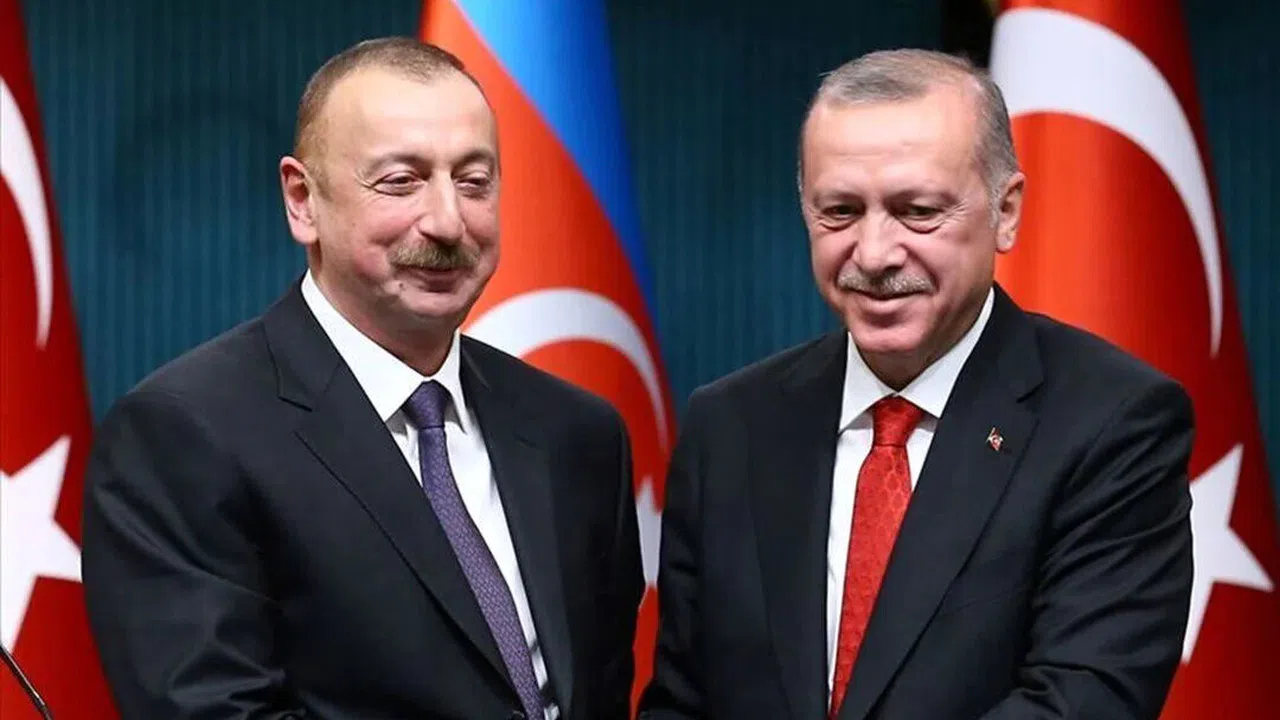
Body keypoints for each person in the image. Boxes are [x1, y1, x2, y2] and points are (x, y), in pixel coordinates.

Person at [82, 37, 642, 720]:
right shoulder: (184, 435)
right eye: (401, 181)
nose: (447, 221)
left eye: (474, 181)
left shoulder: (578, 434)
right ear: (302, 201)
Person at [639, 49, 1193, 719]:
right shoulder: (729, 426)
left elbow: (1083, 701)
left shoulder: (1112, 422)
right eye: (840, 211)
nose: (874, 254)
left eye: (918, 211)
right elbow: (682, 702)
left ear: (1006, 211)